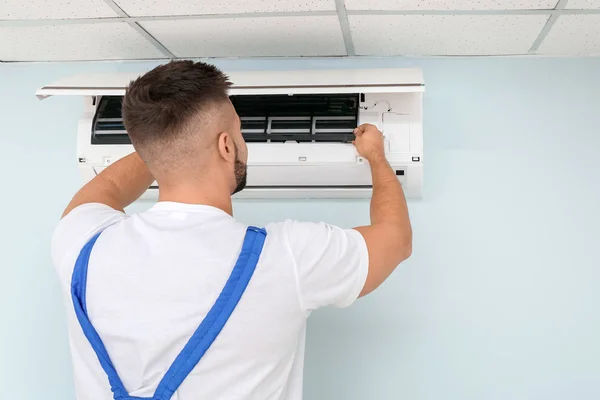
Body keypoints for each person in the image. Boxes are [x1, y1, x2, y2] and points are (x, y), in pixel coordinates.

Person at [51, 60, 412, 400]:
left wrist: (163, 146)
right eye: (238, 131)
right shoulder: (286, 257)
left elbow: (108, 189)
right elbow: (395, 238)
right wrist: (376, 157)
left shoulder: (82, 243)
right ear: (226, 146)